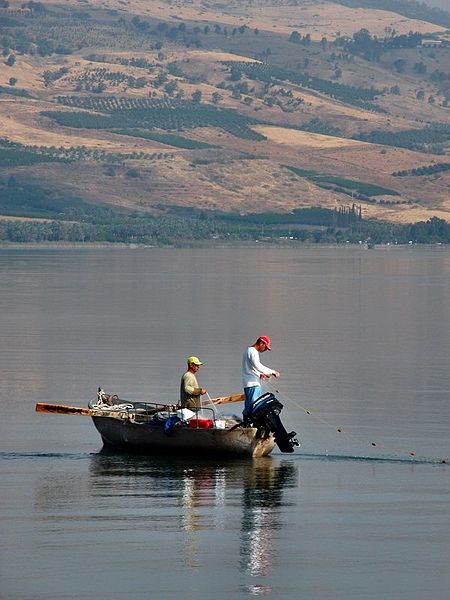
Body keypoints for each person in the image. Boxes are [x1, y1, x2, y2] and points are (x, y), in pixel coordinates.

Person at [242, 335, 280, 420]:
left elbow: (251, 367)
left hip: (248, 382)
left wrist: (260, 374)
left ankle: (246, 424)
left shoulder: (249, 350)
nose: (266, 349)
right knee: (254, 406)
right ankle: (250, 425)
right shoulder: (253, 351)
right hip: (252, 383)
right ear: (261, 343)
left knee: (248, 407)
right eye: (265, 347)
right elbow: (257, 365)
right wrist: (273, 372)